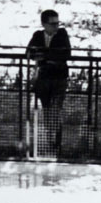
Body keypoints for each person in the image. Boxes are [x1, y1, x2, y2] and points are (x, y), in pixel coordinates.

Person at [27, 9, 71, 153]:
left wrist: (44, 57)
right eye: (52, 24)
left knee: (56, 111)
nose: (56, 26)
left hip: (58, 79)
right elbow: (29, 53)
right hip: (44, 80)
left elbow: (65, 54)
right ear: (44, 24)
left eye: (57, 23)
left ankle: (57, 145)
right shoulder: (37, 35)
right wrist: (50, 57)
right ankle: (48, 141)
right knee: (46, 111)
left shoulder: (62, 34)